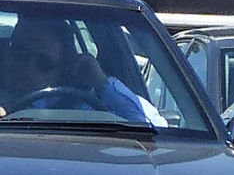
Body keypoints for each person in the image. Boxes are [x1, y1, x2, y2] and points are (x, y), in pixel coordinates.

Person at [1, 16, 153, 124]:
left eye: (44, 62)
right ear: (6, 56)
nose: (29, 67)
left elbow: (144, 128)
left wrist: (102, 83)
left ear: (61, 68)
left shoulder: (85, 112)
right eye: (21, 55)